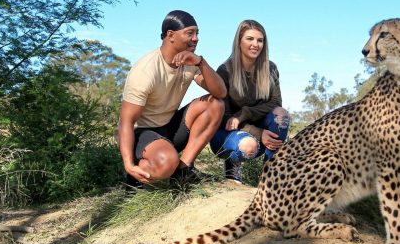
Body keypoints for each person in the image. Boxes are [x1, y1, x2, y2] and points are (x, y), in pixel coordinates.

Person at [118, 10, 227, 192]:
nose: (195, 38)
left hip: (169, 126)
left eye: (197, 33)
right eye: (189, 33)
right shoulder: (145, 71)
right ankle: (134, 180)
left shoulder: (190, 61)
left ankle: (183, 171)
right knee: (166, 161)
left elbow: (220, 92)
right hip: (143, 132)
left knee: (216, 104)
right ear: (170, 35)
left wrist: (201, 63)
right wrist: (128, 164)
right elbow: (126, 122)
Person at [210, 20, 290, 184]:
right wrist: (259, 133)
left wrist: (244, 113)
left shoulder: (270, 68)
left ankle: (270, 175)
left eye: (260, 40)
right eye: (250, 39)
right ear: (239, 41)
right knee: (248, 145)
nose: (256, 44)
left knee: (282, 116)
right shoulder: (225, 70)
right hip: (227, 134)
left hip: (260, 132)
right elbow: (225, 118)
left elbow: (276, 102)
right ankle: (232, 170)